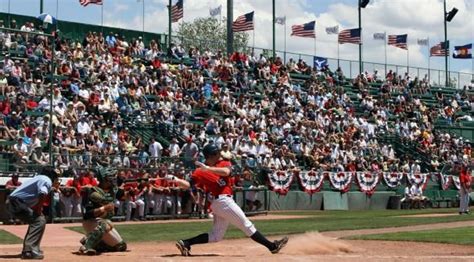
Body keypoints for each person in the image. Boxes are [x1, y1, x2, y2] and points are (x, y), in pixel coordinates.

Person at [171, 144, 288, 256]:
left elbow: (226, 172)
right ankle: (272, 247)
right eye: (216, 153)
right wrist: (175, 179)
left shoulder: (223, 163)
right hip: (222, 202)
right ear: (210, 156)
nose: (219, 155)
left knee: (216, 236)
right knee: (247, 225)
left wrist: (208, 168)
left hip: (222, 202)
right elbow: (187, 185)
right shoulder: (199, 171)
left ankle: (186, 243)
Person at [6, 167, 59, 260]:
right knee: (39, 221)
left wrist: (37, 210)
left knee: (38, 220)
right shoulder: (46, 179)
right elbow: (42, 193)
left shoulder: (39, 178)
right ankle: (29, 251)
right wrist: (39, 209)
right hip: (16, 203)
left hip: (14, 202)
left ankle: (31, 249)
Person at [78, 167, 127, 255]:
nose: (112, 179)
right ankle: (86, 247)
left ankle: (90, 240)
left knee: (121, 246)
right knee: (104, 224)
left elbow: (123, 197)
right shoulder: (93, 192)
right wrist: (104, 208)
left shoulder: (113, 190)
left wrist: (129, 191)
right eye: (110, 177)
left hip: (104, 223)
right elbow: (87, 214)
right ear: (103, 178)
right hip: (90, 222)